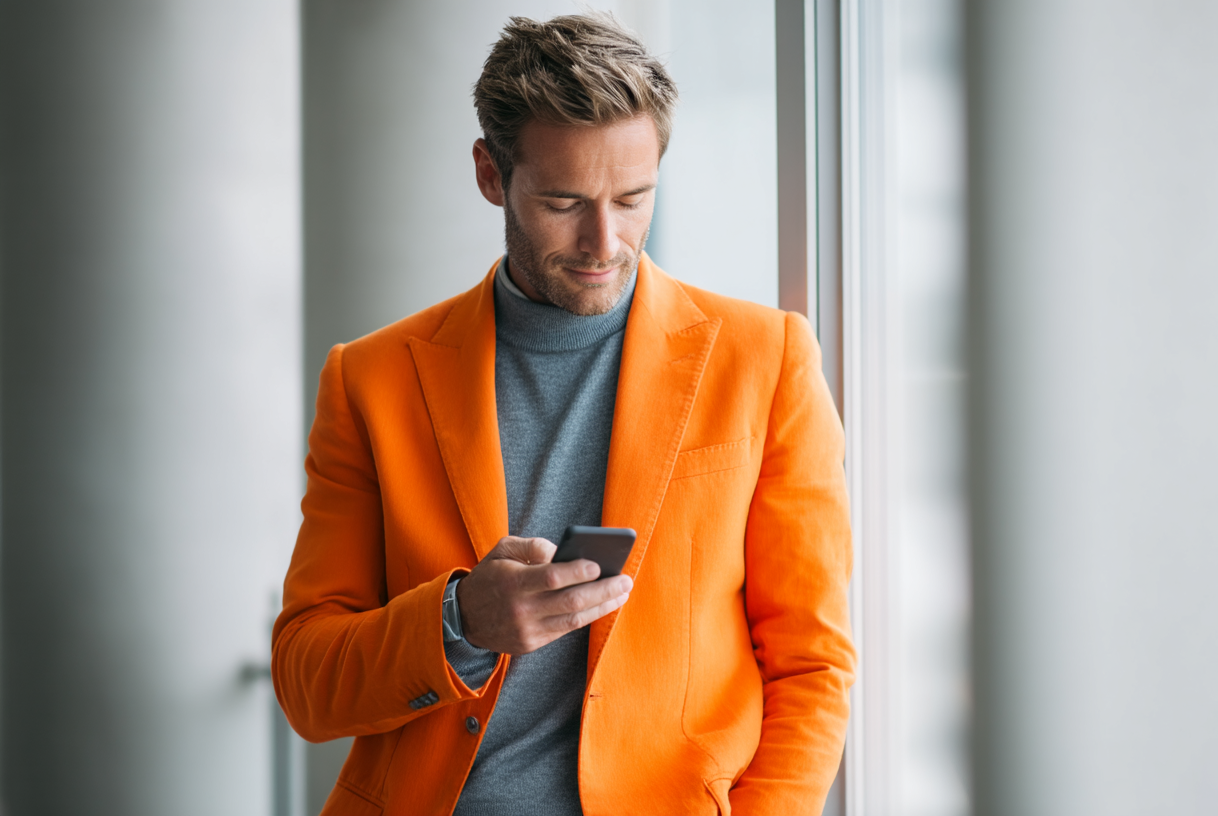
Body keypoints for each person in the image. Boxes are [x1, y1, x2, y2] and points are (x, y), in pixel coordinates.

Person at [271, 12, 853, 816]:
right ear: (489, 174)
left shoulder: (767, 359)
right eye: (563, 201)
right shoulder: (371, 379)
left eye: (633, 198)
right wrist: (460, 622)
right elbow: (307, 683)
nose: (603, 241)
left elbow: (811, 662)